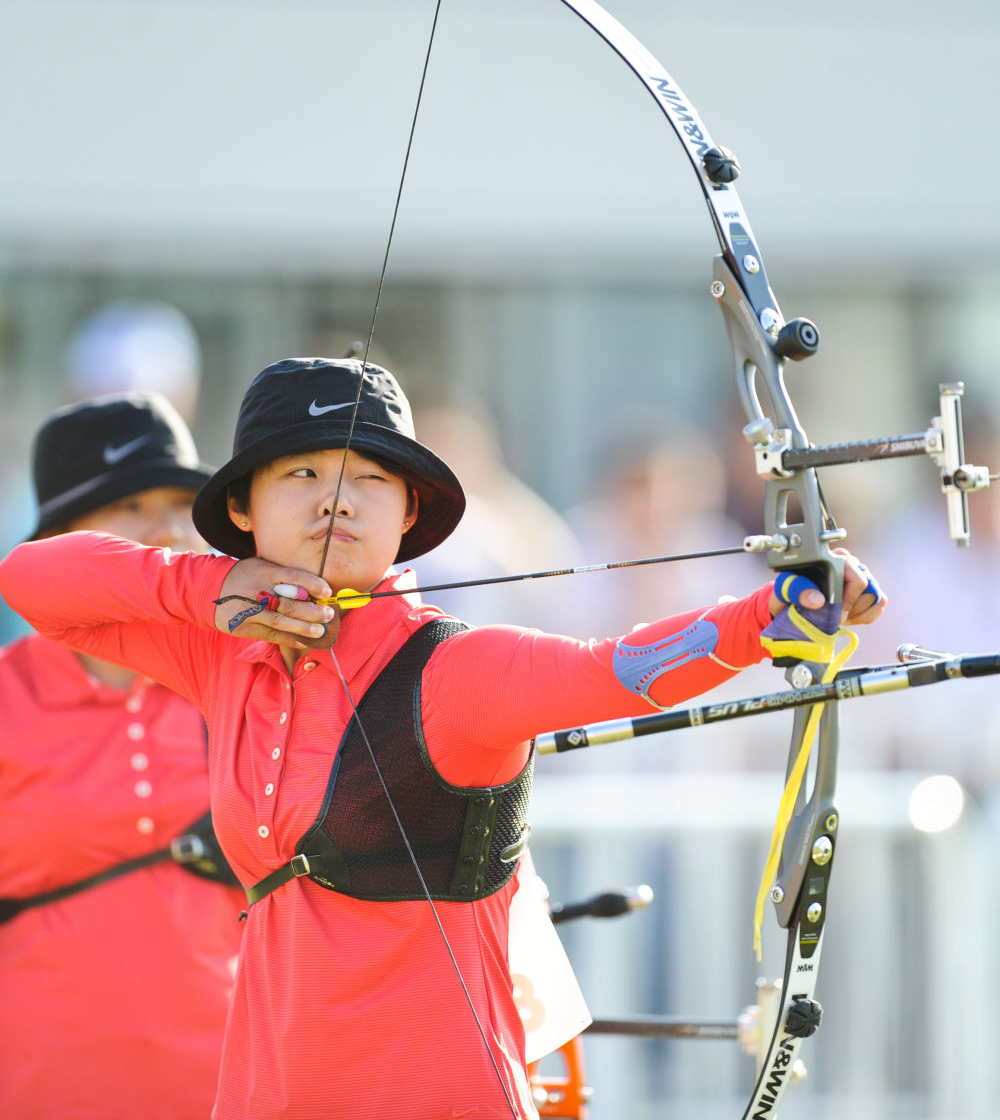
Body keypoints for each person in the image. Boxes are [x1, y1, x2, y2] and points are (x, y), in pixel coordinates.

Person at [0, 357, 885, 1120]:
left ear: (409, 507)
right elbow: (31, 578)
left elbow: (616, 668)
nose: (336, 500)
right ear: (243, 510)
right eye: (300, 474)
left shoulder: (454, 672)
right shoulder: (222, 654)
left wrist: (769, 613)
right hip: (268, 1095)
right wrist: (213, 591)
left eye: (369, 477)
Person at [0, 392, 244, 1120]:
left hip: (235, 1091)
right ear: (62, 543)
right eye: (129, 507)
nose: (167, 531)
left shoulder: (251, 682)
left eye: (179, 502)